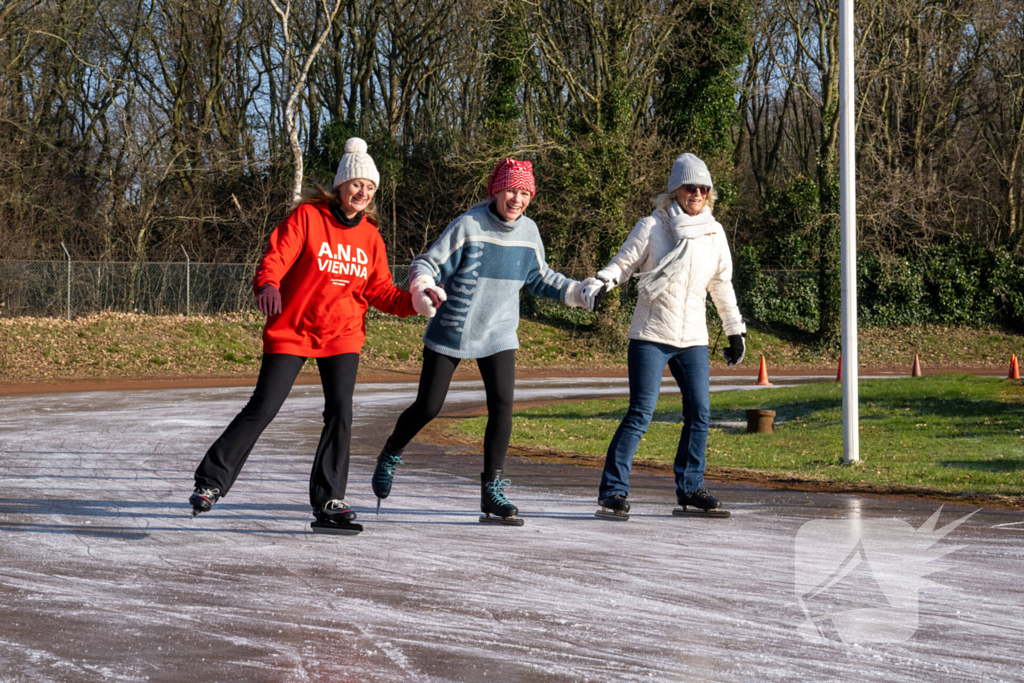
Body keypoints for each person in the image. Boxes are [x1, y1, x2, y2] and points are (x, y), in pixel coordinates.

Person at [188, 138, 417, 535]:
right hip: (293, 328)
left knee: (340, 412)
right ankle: (210, 482)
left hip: (342, 334)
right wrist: (268, 285)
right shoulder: (308, 218)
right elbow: (276, 256)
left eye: (371, 188)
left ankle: (330, 499)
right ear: (341, 185)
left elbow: (380, 291)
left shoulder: (371, 237)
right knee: (264, 406)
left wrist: (417, 302)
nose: (363, 193)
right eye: (357, 185)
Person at [370, 158, 587, 525]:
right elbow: (427, 263)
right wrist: (423, 287)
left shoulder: (529, 232)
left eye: (524, 192)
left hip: (499, 332)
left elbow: (540, 278)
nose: (516, 199)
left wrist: (578, 293)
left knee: (502, 406)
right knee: (429, 406)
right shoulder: (468, 226)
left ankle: (491, 489)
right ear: (496, 190)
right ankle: (391, 452)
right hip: (452, 328)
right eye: (510, 190)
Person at [580, 153, 746, 520]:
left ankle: (690, 489)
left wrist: (734, 330)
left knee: (700, 413)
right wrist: (604, 281)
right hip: (651, 335)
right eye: (691, 187)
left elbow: (721, 284)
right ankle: (612, 492)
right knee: (641, 412)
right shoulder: (652, 227)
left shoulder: (713, 232)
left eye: (704, 188)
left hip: (693, 339)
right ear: (676, 189)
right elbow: (623, 263)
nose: (697, 193)